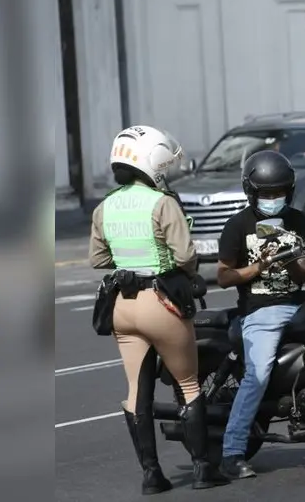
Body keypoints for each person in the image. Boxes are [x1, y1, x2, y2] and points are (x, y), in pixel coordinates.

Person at [89, 125, 228, 494]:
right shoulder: (162, 202)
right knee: (188, 384)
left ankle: (151, 475)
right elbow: (185, 257)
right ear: (151, 164)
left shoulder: (105, 206)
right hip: (160, 301)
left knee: (137, 392)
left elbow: (98, 258)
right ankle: (202, 469)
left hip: (123, 306)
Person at [216, 150, 305, 479]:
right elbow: (224, 276)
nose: (273, 199)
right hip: (260, 311)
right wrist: (260, 266)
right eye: (267, 194)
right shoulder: (238, 225)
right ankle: (231, 453)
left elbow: (304, 276)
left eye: (279, 193)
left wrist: (294, 259)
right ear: (252, 193)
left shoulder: (298, 220)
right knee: (257, 376)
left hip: (299, 304)